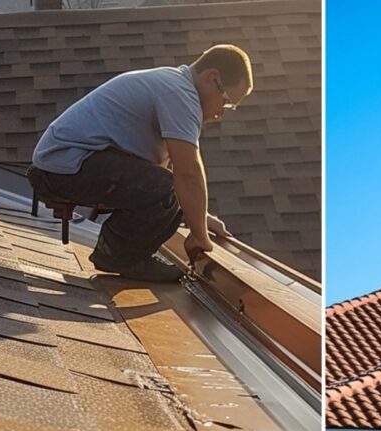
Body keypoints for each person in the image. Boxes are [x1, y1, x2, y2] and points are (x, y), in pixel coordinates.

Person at [27, 45, 253, 282]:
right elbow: (188, 175)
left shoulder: (173, 85)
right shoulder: (180, 93)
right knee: (167, 189)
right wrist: (200, 237)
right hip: (64, 166)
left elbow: (171, 173)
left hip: (64, 165)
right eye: (226, 101)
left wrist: (199, 215)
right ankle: (119, 257)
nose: (221, 113)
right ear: (211, 78)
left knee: (169, 191)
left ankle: (121, 253)